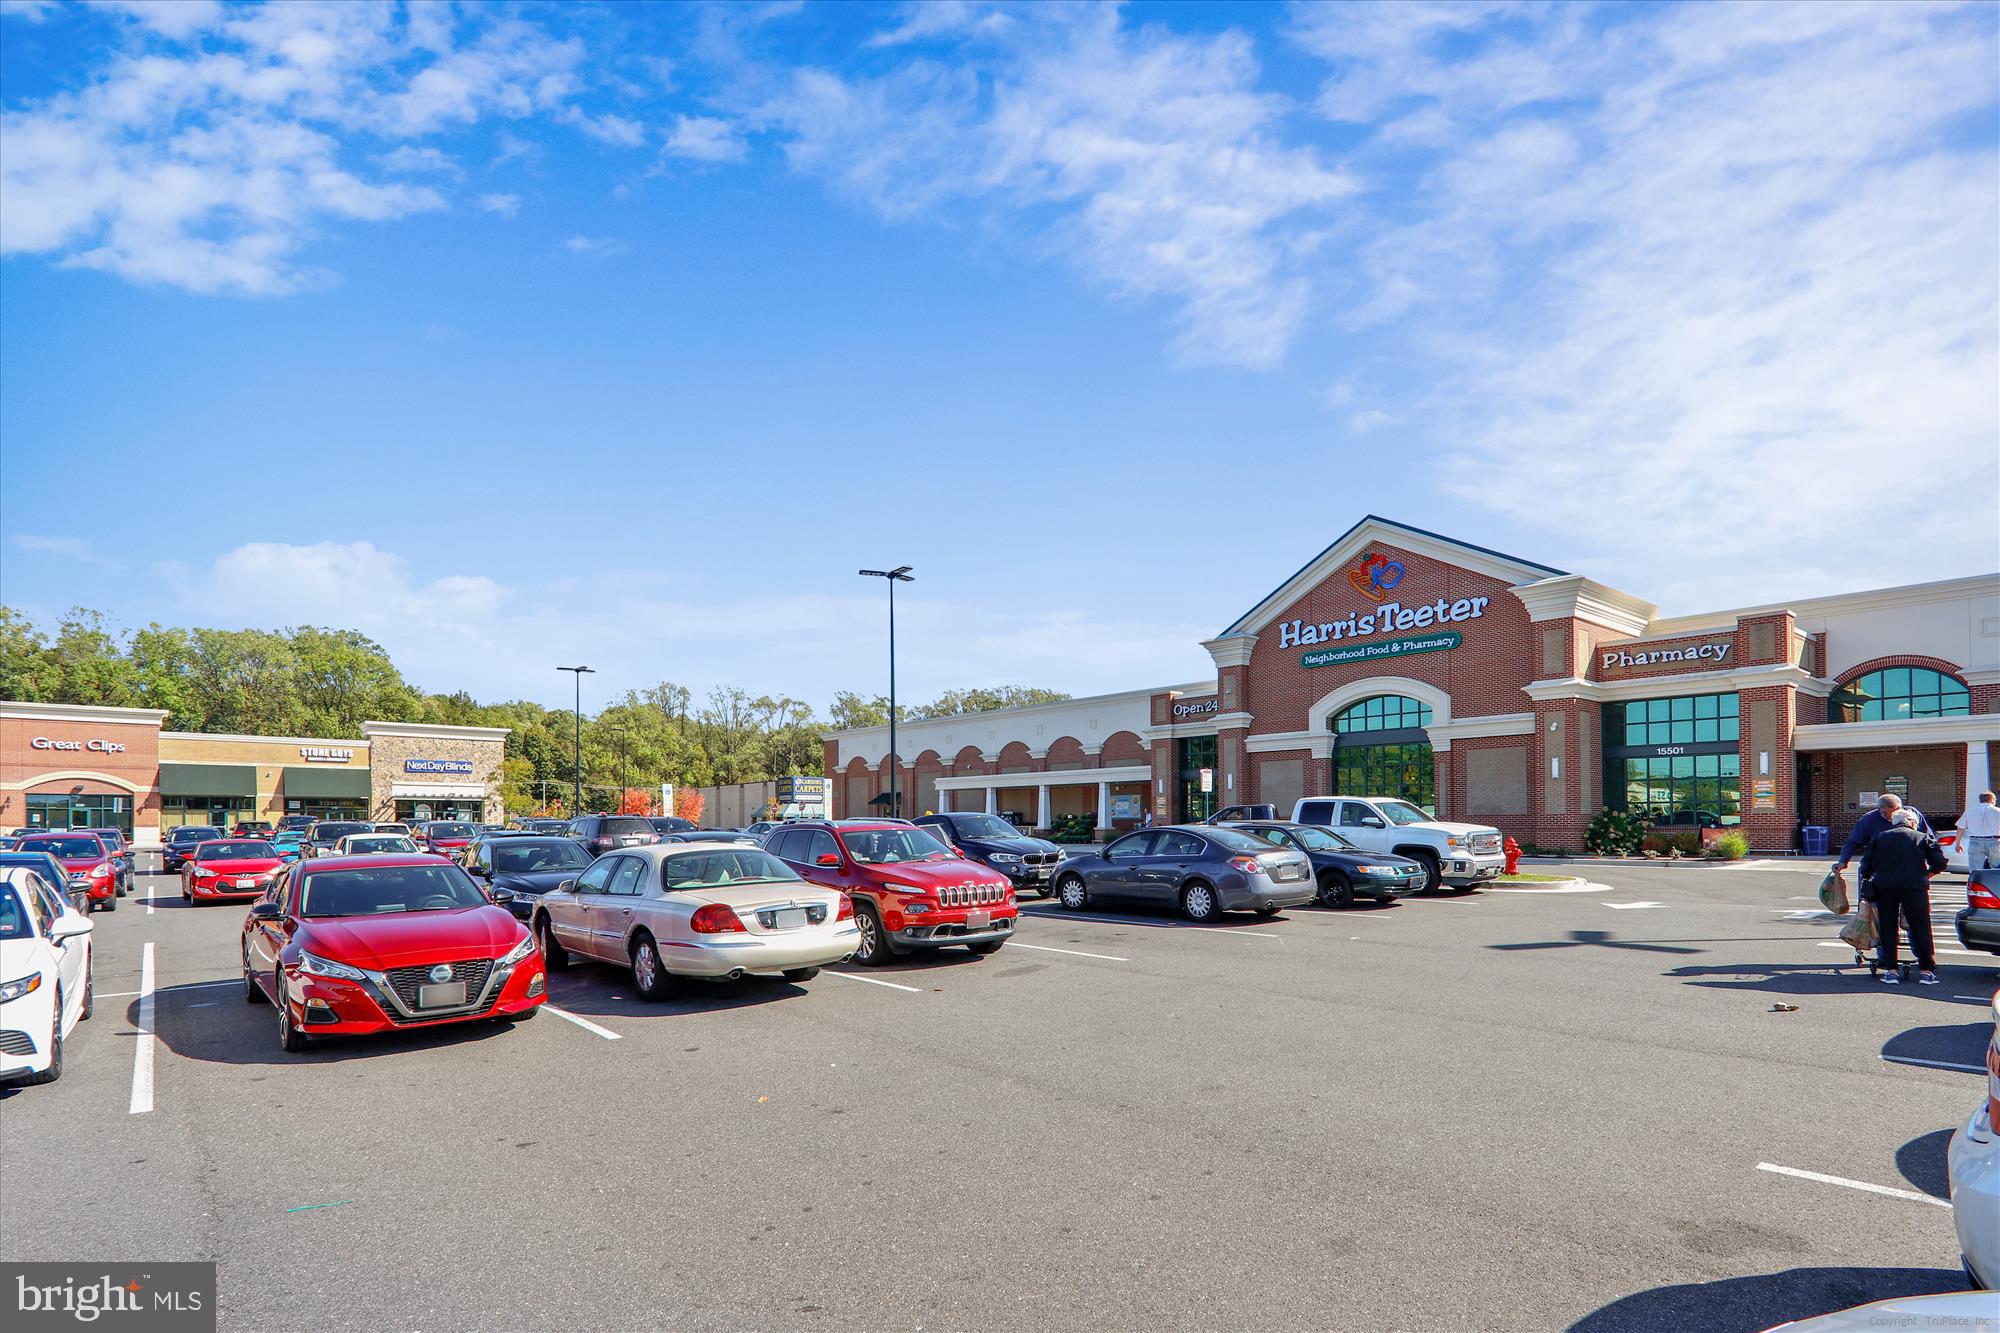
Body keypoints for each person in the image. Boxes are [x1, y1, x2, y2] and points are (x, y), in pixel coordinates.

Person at [1858, 806, 1947, 985]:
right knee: (1920, 927)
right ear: (1912, 822)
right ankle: (1926, 971)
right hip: (1914, 887)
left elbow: (1866, 866)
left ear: (1894, 822)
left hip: (1885, 887)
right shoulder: (1923, 837)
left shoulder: (1879, 838)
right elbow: (1939, 863)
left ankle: (1891, 970)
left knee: (1888, 928)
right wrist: (1927, 874)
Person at [1834, 793, 1932, 873]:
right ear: (1879, 809)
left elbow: (1928, 838)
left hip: (1910, 864)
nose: (1891, 816)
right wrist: (1843, 861)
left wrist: (1930, 861)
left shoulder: (1912, 814)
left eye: (1895, 811)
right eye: (1885, 813)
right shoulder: (1869, 819)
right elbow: (1853, 841)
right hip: (1881, 866)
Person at [1956, 790, 2000, 872]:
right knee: (1997, 869)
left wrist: (1958, 843)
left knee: (1975, 869)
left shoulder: (1969, 811)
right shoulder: (1998, 811)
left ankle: (1975, 883)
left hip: (1975, 841)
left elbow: (1960, 828)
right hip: (1995, 841)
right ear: (1992, 800)